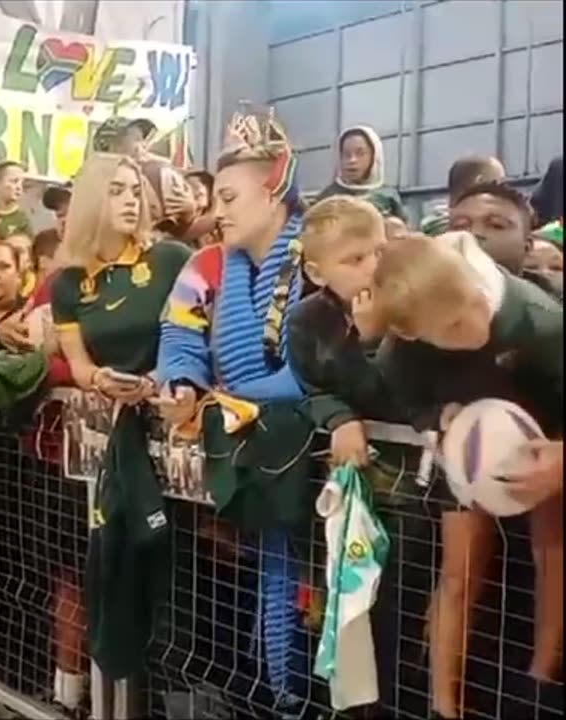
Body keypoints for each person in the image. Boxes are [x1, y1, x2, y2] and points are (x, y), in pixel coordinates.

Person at [156, 108, 313, 715]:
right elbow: (180, 335)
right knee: (230, 601)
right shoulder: (208, 264)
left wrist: (226, 401)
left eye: (227, 196)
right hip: (241, 460)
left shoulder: (319, 251)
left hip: (311, 462)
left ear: (275, 182)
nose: (215, 211)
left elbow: (313, 366)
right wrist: (182, 381)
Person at [371, 234, 563, 716]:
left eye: (474, 303)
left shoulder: (540, 322)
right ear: (414, 335)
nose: (475, 325)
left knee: (553, 553)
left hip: (548, 438)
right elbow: (406, 395)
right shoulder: (400, 353)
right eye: (454, 326)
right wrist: (438, 416)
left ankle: (540, 684)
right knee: (458, 572)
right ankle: (443, 704)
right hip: (468, 454)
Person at [50, 152, 192, 697]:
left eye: (137, 188)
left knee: (176, 581)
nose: (133, 198)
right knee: (113, 569)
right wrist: (101, 381)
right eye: (118, 189)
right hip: (108, 441)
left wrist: (159, 377)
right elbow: (79, 362)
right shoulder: (68, 284)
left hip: (176, 437)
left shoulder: (173, 258)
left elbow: (195, 337)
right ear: (92, 200)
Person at [287, 196, 401, 468]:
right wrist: (340, 419)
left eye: (380, 252)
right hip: (353, 457)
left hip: (414, 456)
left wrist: (373, 340)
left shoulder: (409, 308)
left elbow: (413, 393)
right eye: (356, 259)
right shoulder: (305, 320)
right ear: (316, 274)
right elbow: (312, 389)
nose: (374, 267)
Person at [448, 179, 563, 299]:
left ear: (527, 246)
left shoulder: (552, 310)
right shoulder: (430, 306)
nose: (474, 234)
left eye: (496, 225)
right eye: (460, 226)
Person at [315, 126, 406, 219]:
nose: (352, 160)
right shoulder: (327, 197)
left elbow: (404, 229)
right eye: (346, 154)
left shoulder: (388, 195)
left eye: (360, 153)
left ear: (374, 157)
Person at [419, 155, 507, 236]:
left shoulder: (429, 231)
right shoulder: (480, 235)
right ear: (481, 182)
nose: (504, 189)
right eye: (499, 183)